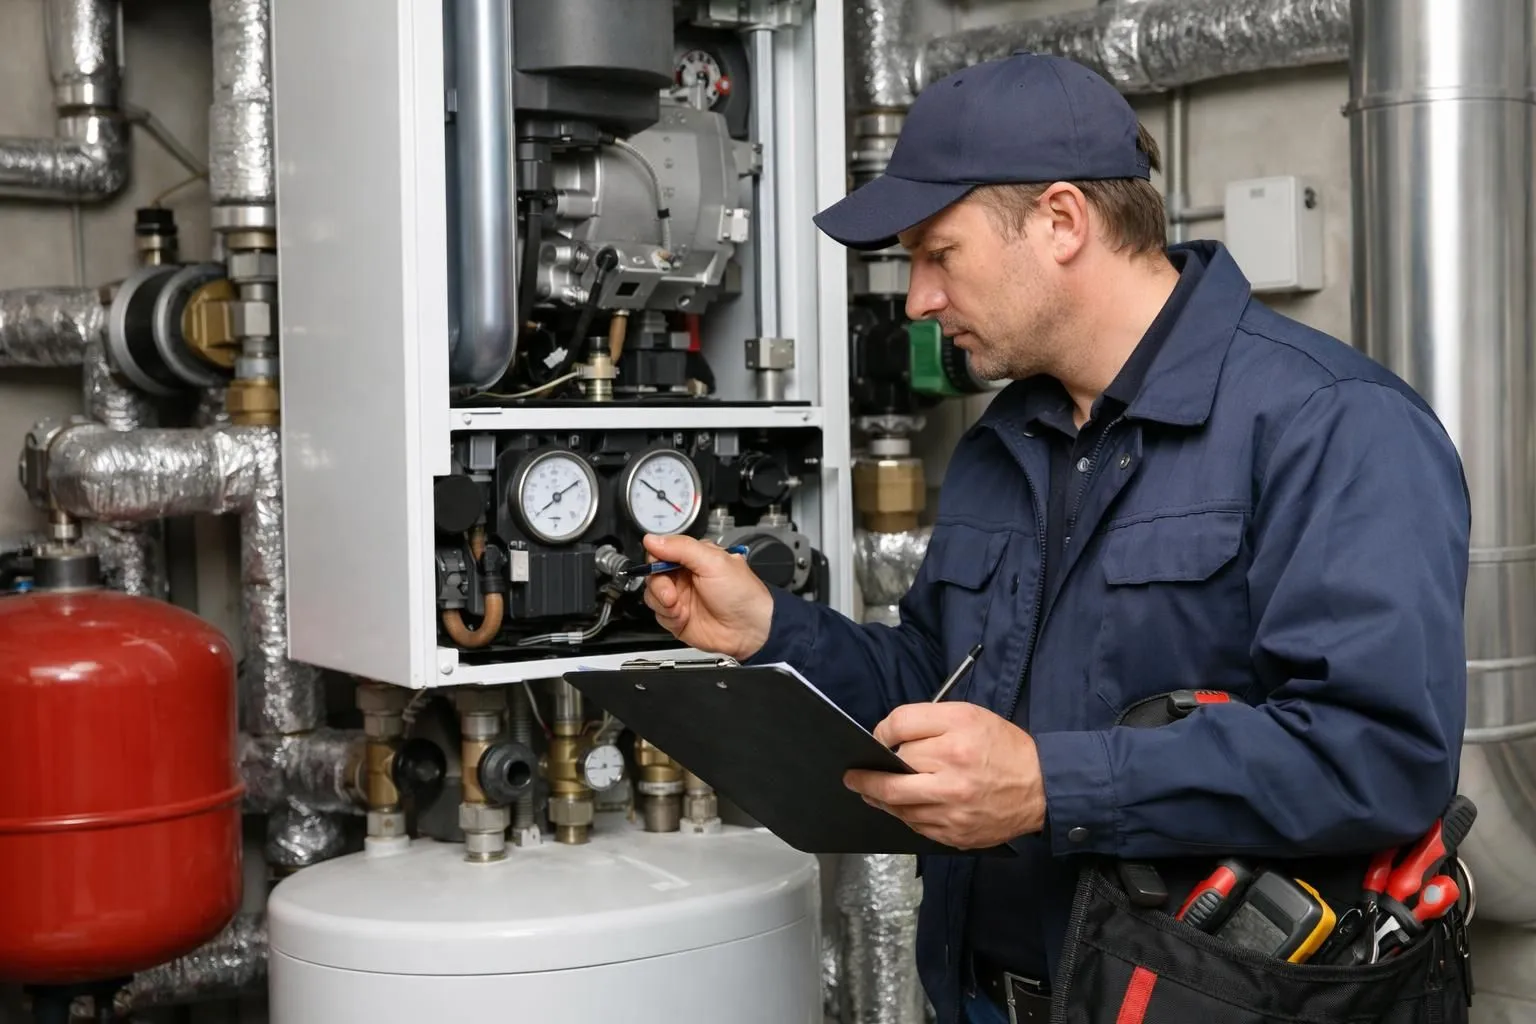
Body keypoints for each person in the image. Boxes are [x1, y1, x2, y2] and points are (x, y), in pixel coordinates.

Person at [641, 51, 1471, 1024]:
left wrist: (1050, 787)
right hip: (985, 1002)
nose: (917, 300)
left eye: (938, 253)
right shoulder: (1005, 442)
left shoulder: (1330, 423)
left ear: (1062, 221)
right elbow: (939, 688)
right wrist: (770, 630)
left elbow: (1377, 755)